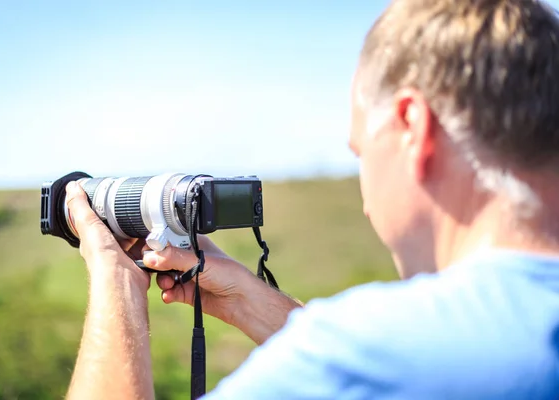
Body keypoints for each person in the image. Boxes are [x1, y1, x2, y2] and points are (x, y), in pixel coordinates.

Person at [63, 0, 559, 398]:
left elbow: (379, 362)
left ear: (413, 128)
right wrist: (251, 303)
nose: (367, 201)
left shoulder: (367, 352)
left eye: (361, 152)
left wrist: (115, 279)